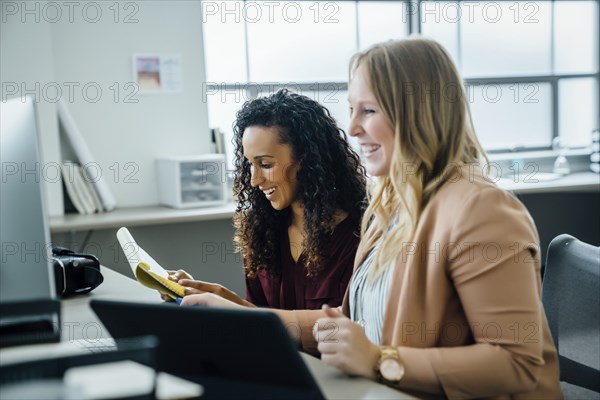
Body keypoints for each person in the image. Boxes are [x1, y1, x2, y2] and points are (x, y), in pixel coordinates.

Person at [182, 38, 562, 398]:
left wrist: (382, 361)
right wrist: (238, 316)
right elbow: (348, 329)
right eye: (351, 109)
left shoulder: (482, 210)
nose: (352, 128)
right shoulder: (389, 208)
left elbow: (517, 363)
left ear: (417, 113)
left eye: (369, 110)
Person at [163, 89, 367, 310]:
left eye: (266, 165)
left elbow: (349, 326)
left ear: (307, 161)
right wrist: (212, 296)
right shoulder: (262, 232)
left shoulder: (357, 238)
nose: (254, 180)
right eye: (250, 164)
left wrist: (229, 305)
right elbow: (261, 318)